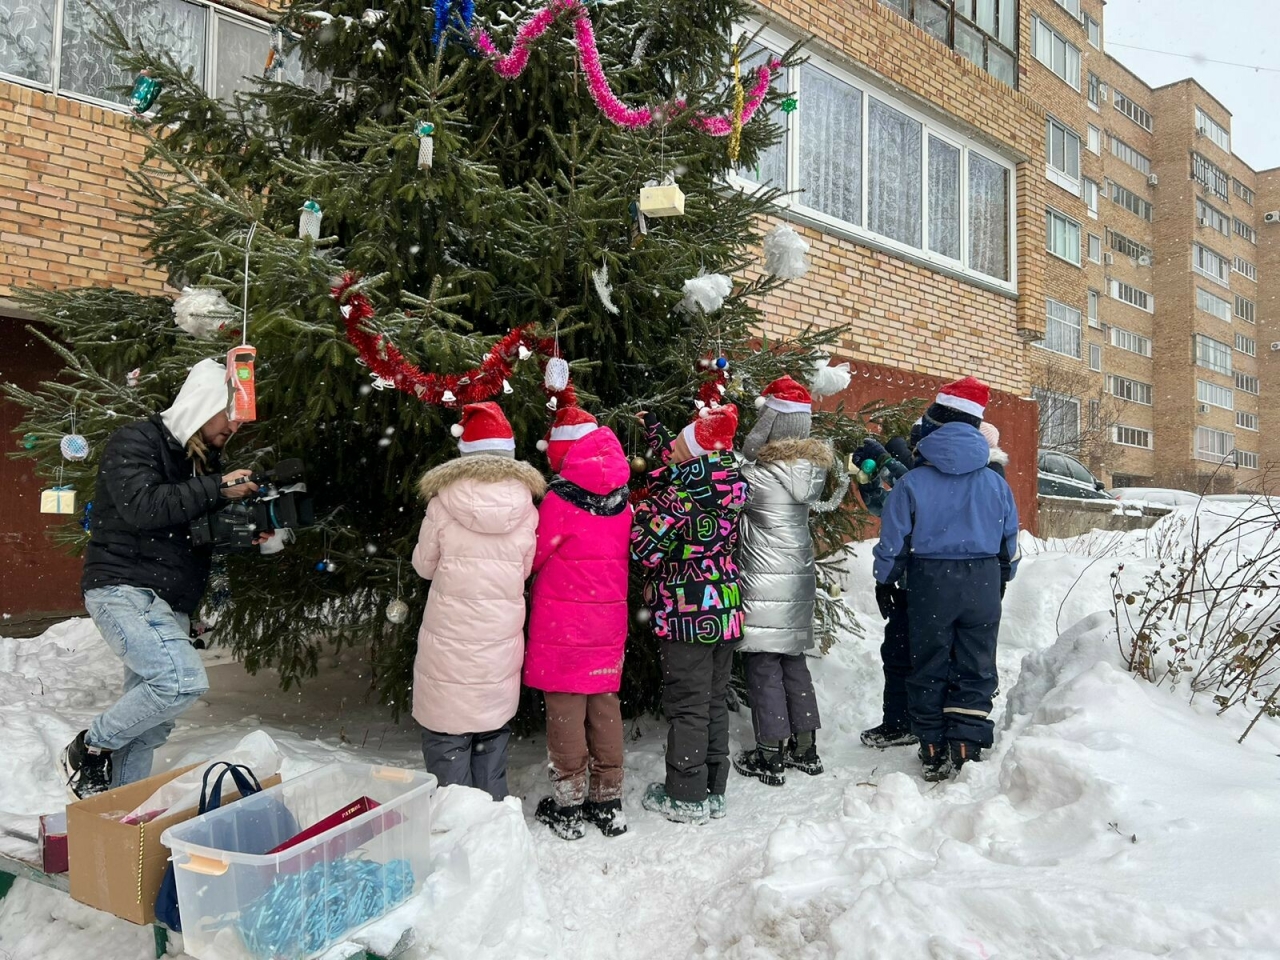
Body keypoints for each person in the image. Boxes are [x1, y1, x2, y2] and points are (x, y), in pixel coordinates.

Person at [62, 358, 263, 798]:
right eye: (229, 414)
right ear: (203, 403)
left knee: (151, 727)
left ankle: (117, 808)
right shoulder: (136, 440)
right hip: (123, 585)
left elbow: (190, 532)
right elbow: (144, 506)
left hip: (169, 598)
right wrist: (217, 488)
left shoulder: (202, 465)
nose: (234, 426)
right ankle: (89, 747)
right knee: (178, 682)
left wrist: (244, 531)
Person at [872, 377, 1020, 782]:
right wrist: (1002, 577)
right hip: (984, 578)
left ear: (934, 424)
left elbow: (893, 541)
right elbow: (1010, 540)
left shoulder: (913, 482)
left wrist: (885, 580)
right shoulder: (995, 481)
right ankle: (966, 744)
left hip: (929, 581)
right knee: (975, 661)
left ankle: (932, 744)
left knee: (930, 660)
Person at [411, 402, 543, 801]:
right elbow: (524, 568)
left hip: (449, 641)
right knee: (490, 736)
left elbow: (423, 566)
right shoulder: (525, 507)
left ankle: (454, 823)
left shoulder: (442, 503)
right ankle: (493, 825)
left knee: (448, 736)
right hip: (499, 641)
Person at [632, 403, 747, 825]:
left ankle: (684, 794)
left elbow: (643, 550)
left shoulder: (680, 497)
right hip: (725, 610)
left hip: (687, 614)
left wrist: (640, 514)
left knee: (688, 707)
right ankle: (713, 790)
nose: (673, 452)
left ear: (694, 455)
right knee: (714, 702)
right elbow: (676, 462)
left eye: (679, 447)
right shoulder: (729, 486)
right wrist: (659, 433)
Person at [526, 405, 632, 839]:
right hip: (607, 622)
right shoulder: (623, 501)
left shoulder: (560, 500)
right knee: (604, 707)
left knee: (566, 712)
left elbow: (534, 556)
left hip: (563, 625)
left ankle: (568, 805)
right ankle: (607, 800)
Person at [732, 376, 832, 787]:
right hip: (797, 581)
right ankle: (805, 748)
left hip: (762, 582)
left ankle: (770, 752)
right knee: (793, 661)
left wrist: (753, 440)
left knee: (763, 665)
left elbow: (737, 465)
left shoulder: (757, 476)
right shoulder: (808, 472)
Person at [851, 433, 917, 751]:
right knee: (899, 654)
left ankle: (905, 723)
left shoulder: (923, 487)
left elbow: (909, 489)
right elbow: (880, 504)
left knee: (907, 656)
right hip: (909, 588)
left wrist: (884, 461)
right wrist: (866, 477)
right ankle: (905, 721)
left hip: (923, 587)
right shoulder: (911, 489)